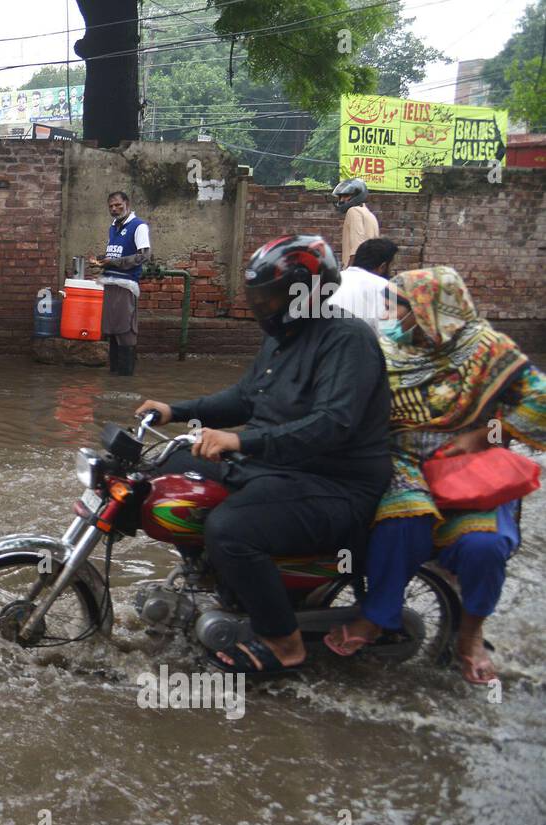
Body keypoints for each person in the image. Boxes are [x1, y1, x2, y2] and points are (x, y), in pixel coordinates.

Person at [134, 235, 393, 676]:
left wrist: (240, 442)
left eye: (272, 295)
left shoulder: (348, 340)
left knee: (230, 529)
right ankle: (215, 579)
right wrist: (176, 411)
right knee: (165, 469)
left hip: (334, 483)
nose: (263, 305)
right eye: (260, 295)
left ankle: (284, 640)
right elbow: (244, 399)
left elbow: (331, 425)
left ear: (307, 292)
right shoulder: (283, 338)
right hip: (279, 467)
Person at [325, 267, 546, 684]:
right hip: (403, 461)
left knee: (484, 547)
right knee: (402, 521)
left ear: (430, 309)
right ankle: (377, 616)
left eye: (398, 305)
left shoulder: (488, 350)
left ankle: (471, 635)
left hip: (472, 469)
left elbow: (540, 402)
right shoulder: (386, 350)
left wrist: (485, 434)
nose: (388, 313)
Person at [87, 191, 150, 376]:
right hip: (109, 283)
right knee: (111, 329)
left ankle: (125, 375)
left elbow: (143, 256)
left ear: (127, 204)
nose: (114, 209)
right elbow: (114, 255)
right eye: (111, 206)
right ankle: (114, 376)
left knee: (125, 329)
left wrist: (113, 262)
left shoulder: (139, 226)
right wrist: (101, 260)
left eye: (118, 205)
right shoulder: (113, 227)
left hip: (126, 284)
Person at [324, 237, 397, 331]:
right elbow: (388, 333)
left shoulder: (330, 279)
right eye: (391, 267)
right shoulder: (385, 287)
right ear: (383, 267)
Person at [331, 177, 379, 265]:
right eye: (340, 196)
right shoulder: (370, 215)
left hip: (357, 270)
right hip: (370, 270)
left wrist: (350, 272)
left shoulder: (353, 211)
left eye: (346, 196)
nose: (341, 200)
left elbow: (357, 248)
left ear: (357, 195)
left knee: (316, 277)